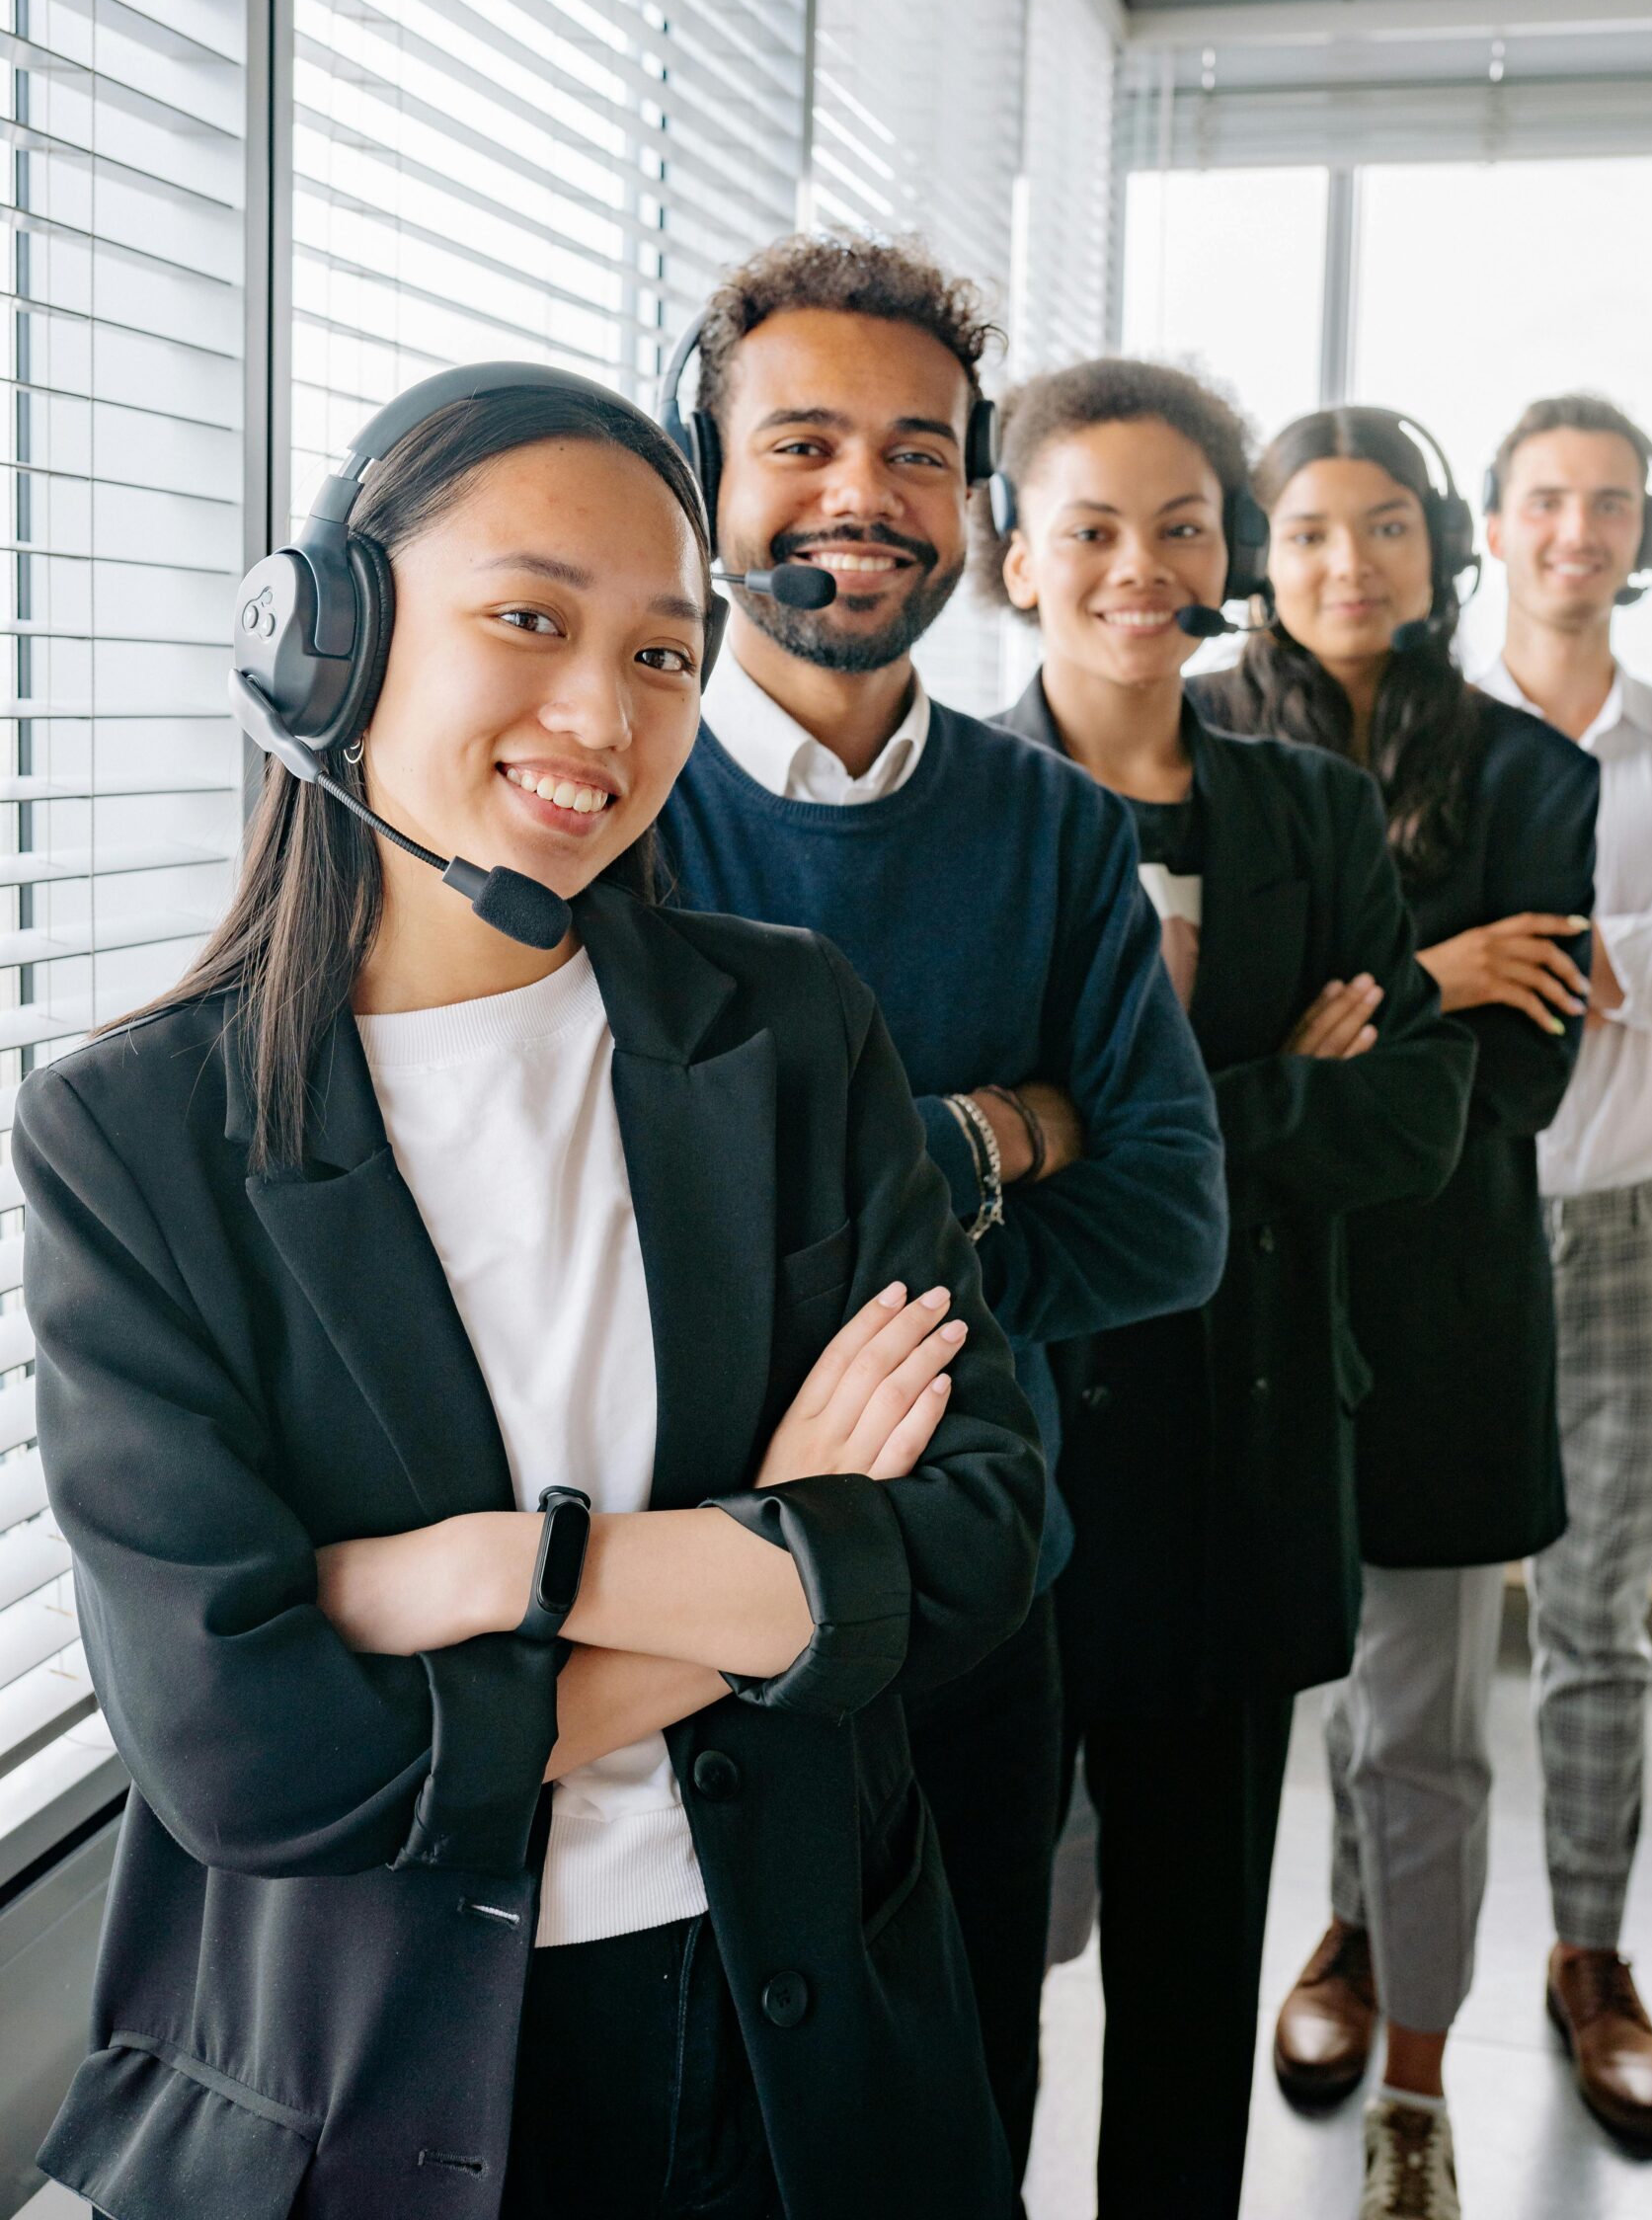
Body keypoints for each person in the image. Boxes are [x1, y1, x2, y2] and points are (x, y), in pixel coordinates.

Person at [18, 368, 1047, 2220]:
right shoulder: (134, 1138)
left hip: (793, 2047)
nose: (605, 709)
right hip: (373, 2089)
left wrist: (497, 1570)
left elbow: (978, 1528)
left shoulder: (789, 1028)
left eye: (665, 655)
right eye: (528, 618)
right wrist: (778, 1554)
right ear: (330, 645)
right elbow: (247, 1753)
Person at [655, 234, 1228, 2191]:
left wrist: (843, 1224)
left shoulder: (1053, 824)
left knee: (960, 2103)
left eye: (915, 451)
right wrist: (994, 1132)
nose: (860, 493)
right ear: (704, 481)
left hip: (972, 1601)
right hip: (665, 1594)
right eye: (799, 439)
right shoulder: (598, 805)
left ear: (971, 504)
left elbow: (1165, 1217)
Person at [976, 357, 1473, 2220]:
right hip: (1003, 1484)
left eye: (1181, 525)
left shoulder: (1313, 812)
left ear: (1228, 557)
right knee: (978, 1993)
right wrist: (1274, 1091)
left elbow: (1414, 1123)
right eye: (1090, 527)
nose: (1137, 562)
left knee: (1191, 1999)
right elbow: (929, 1170)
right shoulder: (956, 812)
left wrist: (1117, 1125)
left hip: (1246, 1469)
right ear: (1014, 558)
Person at [1195, 407, 1599, 2220]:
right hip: (1231, 1313)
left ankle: (1418, 2096)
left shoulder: (1529, 771)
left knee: (1425, 1725)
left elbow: (1509, 1092)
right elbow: (1180, 1078)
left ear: (1440, 548)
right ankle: (1299, 1976)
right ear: (1256, 558)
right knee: (1199, 1732)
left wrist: (1331, 1046)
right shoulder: (1191, 746)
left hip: (1447, 1316)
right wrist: (1434, 970)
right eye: (1302, 533)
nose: (1345, 564)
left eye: (1381, 529)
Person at [1477, 393, 1652, 2155]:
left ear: (1646, 533)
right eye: (1548, 499)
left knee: (1597, 1621)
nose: (1578, 531)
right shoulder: (1426, 741)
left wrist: (1551, 957)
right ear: (1493, 524)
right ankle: (1367, 1930)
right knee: (1410, 1622)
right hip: (1441, 1227)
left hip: (1636, 1232)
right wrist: (1647, 955)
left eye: (1611, 503)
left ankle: (1594, 1956)